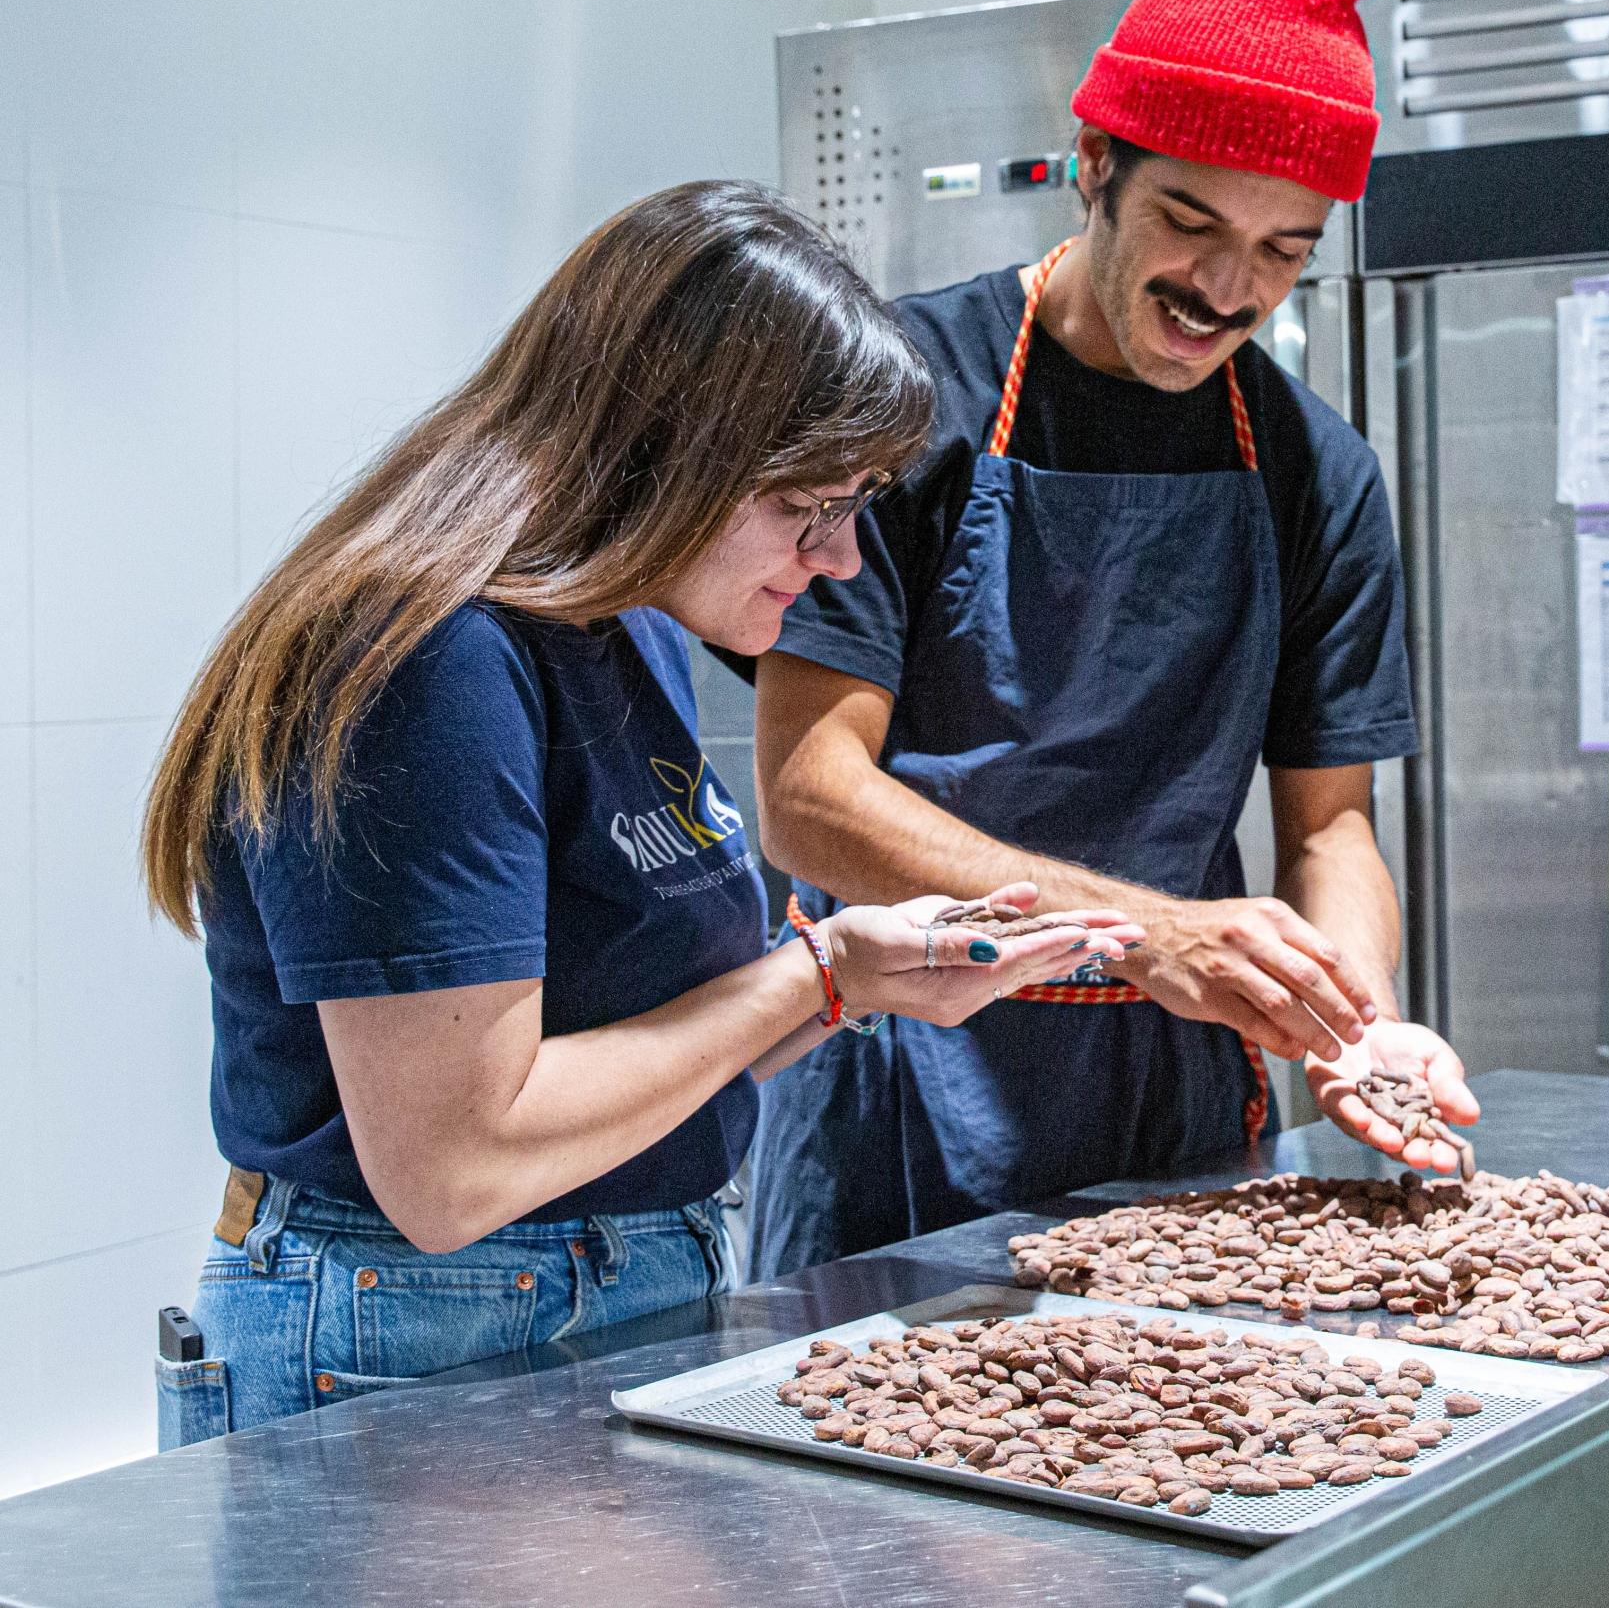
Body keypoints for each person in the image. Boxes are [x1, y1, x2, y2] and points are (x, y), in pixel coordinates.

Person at [141, 181, 1140, 1445]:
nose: (839, 560)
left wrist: (859, 981)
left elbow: (640, 1029)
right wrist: (814, 976)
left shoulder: (630, 621)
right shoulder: (424, 656)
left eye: (853, 511)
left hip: (603, 1287)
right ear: (668, 449)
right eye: (805, 509)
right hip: (419, 1316)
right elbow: (455, 1165)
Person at [739, 0, 1477, 1277]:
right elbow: (807, 795)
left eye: (1281, 250)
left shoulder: (1315, 470)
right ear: (1094, 167)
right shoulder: (903, 399)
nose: (1225, 287)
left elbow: (1331, 830)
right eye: (1191, 223)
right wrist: (1147, 933)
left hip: (1174, 1091)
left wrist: (1350, 1011)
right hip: (907, 1066)